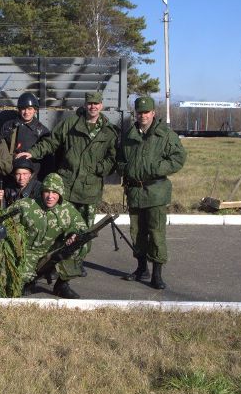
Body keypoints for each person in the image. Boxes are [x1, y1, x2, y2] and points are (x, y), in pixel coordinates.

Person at [16, 91, 118, 267]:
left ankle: (76, 263)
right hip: (68, 187)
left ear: (101, 105)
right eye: (90, 103)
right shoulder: (71, 124)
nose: (92, 107)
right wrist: (33, 152)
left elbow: (113, 157)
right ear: (85, 105)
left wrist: (99, 169)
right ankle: (55, 264)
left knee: (84, 231)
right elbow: (51, 142)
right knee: (59, 227)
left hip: (89, 188)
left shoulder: (108, 131)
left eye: (96, 104)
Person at [117, 96, 187, 290]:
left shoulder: (164, 134)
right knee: (137, 233)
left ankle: (157, 274)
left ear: (153, 113)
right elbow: (120, 158)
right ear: (136, 114)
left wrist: (157, 168)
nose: (143, 115)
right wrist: (125, 168)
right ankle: (141, 268)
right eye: (139, 112)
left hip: (155, 191)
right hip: (135, 191)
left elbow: (179, 158)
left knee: (156, 233)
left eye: (146, 112)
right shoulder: (130, 134)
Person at [10, 173, 88, 299]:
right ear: (42, 192)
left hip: (53, 251)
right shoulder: (26, 205)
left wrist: (73, 234)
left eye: (55, 193)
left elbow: (82, 228)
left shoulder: (67, 209)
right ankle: (29, 281)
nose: (50, 197)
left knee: (81, 243)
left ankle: (62, 284)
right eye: (47, 192)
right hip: (28, 252)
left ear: (60, 194)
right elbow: (4, 222)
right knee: (16, 286)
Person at [0, 91, 52, 177]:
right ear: (19, 110)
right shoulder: (9, 126)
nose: (26, 112)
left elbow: (47, 155)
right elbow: (1, 148)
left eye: (30, 109)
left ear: (35, 110)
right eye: (23, 109)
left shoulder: (42, 131)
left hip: (33, 174)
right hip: (11, 172)